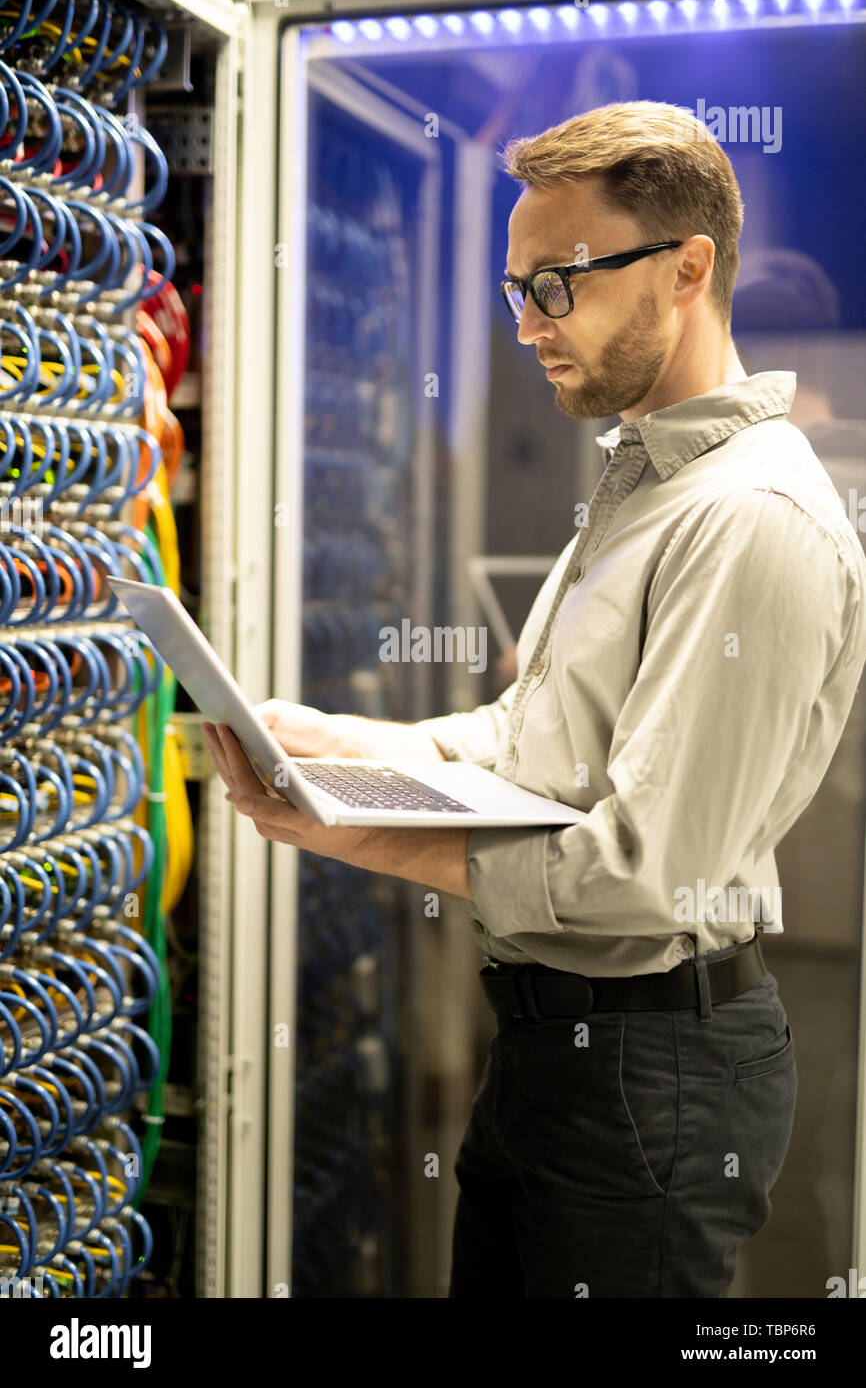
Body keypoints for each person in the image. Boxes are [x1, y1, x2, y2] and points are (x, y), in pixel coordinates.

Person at [202, 101, 866, 1298]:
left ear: (686, 267)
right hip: (561, 1049)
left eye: (552, 287)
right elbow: (527, 741)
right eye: (516, 293)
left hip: (649, 1070)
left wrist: (345, 828)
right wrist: (329, 741)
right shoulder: (638, 481)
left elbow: (642, 869)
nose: (525, 328)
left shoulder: (746, 517)